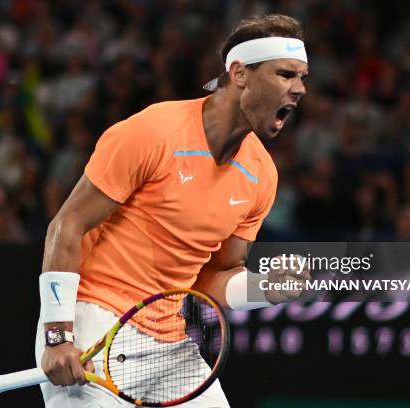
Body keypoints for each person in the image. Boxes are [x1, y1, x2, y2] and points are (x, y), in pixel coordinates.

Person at [36, 14, 310, 407]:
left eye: (302, 78)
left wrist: (266, 288)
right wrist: (58, 336)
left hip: (170, 341)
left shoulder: (262, 174)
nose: (299, 89)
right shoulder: (154, 131)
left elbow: (214, 277)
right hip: (92, 325)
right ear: (239, 74)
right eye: (286, 74)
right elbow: (66, 225)